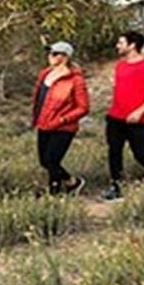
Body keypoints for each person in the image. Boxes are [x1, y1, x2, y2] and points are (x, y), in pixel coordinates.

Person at [102, 30, 144, 201]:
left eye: (121, 43)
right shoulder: (120, 66)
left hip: (139, 120)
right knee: (114, 152)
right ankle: (116, 187)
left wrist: (140, 111)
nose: (117, 46)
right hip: (115, 117)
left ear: (132, 45)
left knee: (141, 154)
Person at [31, 41, 90, 195]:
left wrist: (63, 119)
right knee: (44, 161)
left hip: (63, 127)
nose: (49, 56)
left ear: (64, 57)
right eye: (50, 53)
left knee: (52, 160)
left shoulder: (76, 80)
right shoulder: (45, 73)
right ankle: (72, 182)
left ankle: (54, 193)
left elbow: (83, 107)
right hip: (44, 123)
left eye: (54, 53)